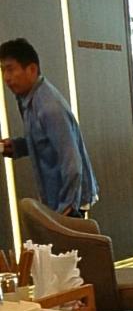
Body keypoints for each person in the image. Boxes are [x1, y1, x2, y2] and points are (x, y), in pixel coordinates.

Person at [0, 37, 98, 215]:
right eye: (3, 70)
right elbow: (44, 141)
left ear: (31, 69)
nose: (6, 78)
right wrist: (17, 146)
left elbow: (72, 164)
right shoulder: (28, 100)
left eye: (11, 69)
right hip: (56, 198)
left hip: (68, 202)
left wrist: (65, 209)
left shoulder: (48, 107)